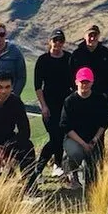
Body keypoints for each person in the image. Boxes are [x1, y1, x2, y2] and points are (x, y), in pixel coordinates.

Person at [60, 67, 108, 188]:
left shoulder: (100, 100)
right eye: (82, 82)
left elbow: (104, 122)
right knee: (76, 153)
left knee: (93, 180)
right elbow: (65, 126)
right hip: (75, 139)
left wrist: (94, 140)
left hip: (94, 140)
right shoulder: (70, 101)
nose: (85, 84)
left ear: (92, 82)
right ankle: (71, 171)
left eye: (87, 81)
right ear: (76, 82)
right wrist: (83, 144)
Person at [34, 28, 73, 179]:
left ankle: (57, 165)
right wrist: (43, 105)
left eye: (61, 40)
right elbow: (38, 85)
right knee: (55, 137)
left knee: (61, 135)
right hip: (48, 105)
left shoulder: (69, 58)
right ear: (49, 42)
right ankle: (39, 168)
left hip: (65, 104)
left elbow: (74, 83)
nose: (58, 43)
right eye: (55, 40)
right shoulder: (43, 60)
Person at [70, 24, 108, 110]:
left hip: (102, 99)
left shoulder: (106, 54)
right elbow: (70, 76)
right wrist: (77, 92)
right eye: (90, 35)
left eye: (95, 35)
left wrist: (106, 92)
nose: (92, 38)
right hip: (81, 99)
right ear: (84, 36)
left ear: (99, 36)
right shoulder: (77, 55)